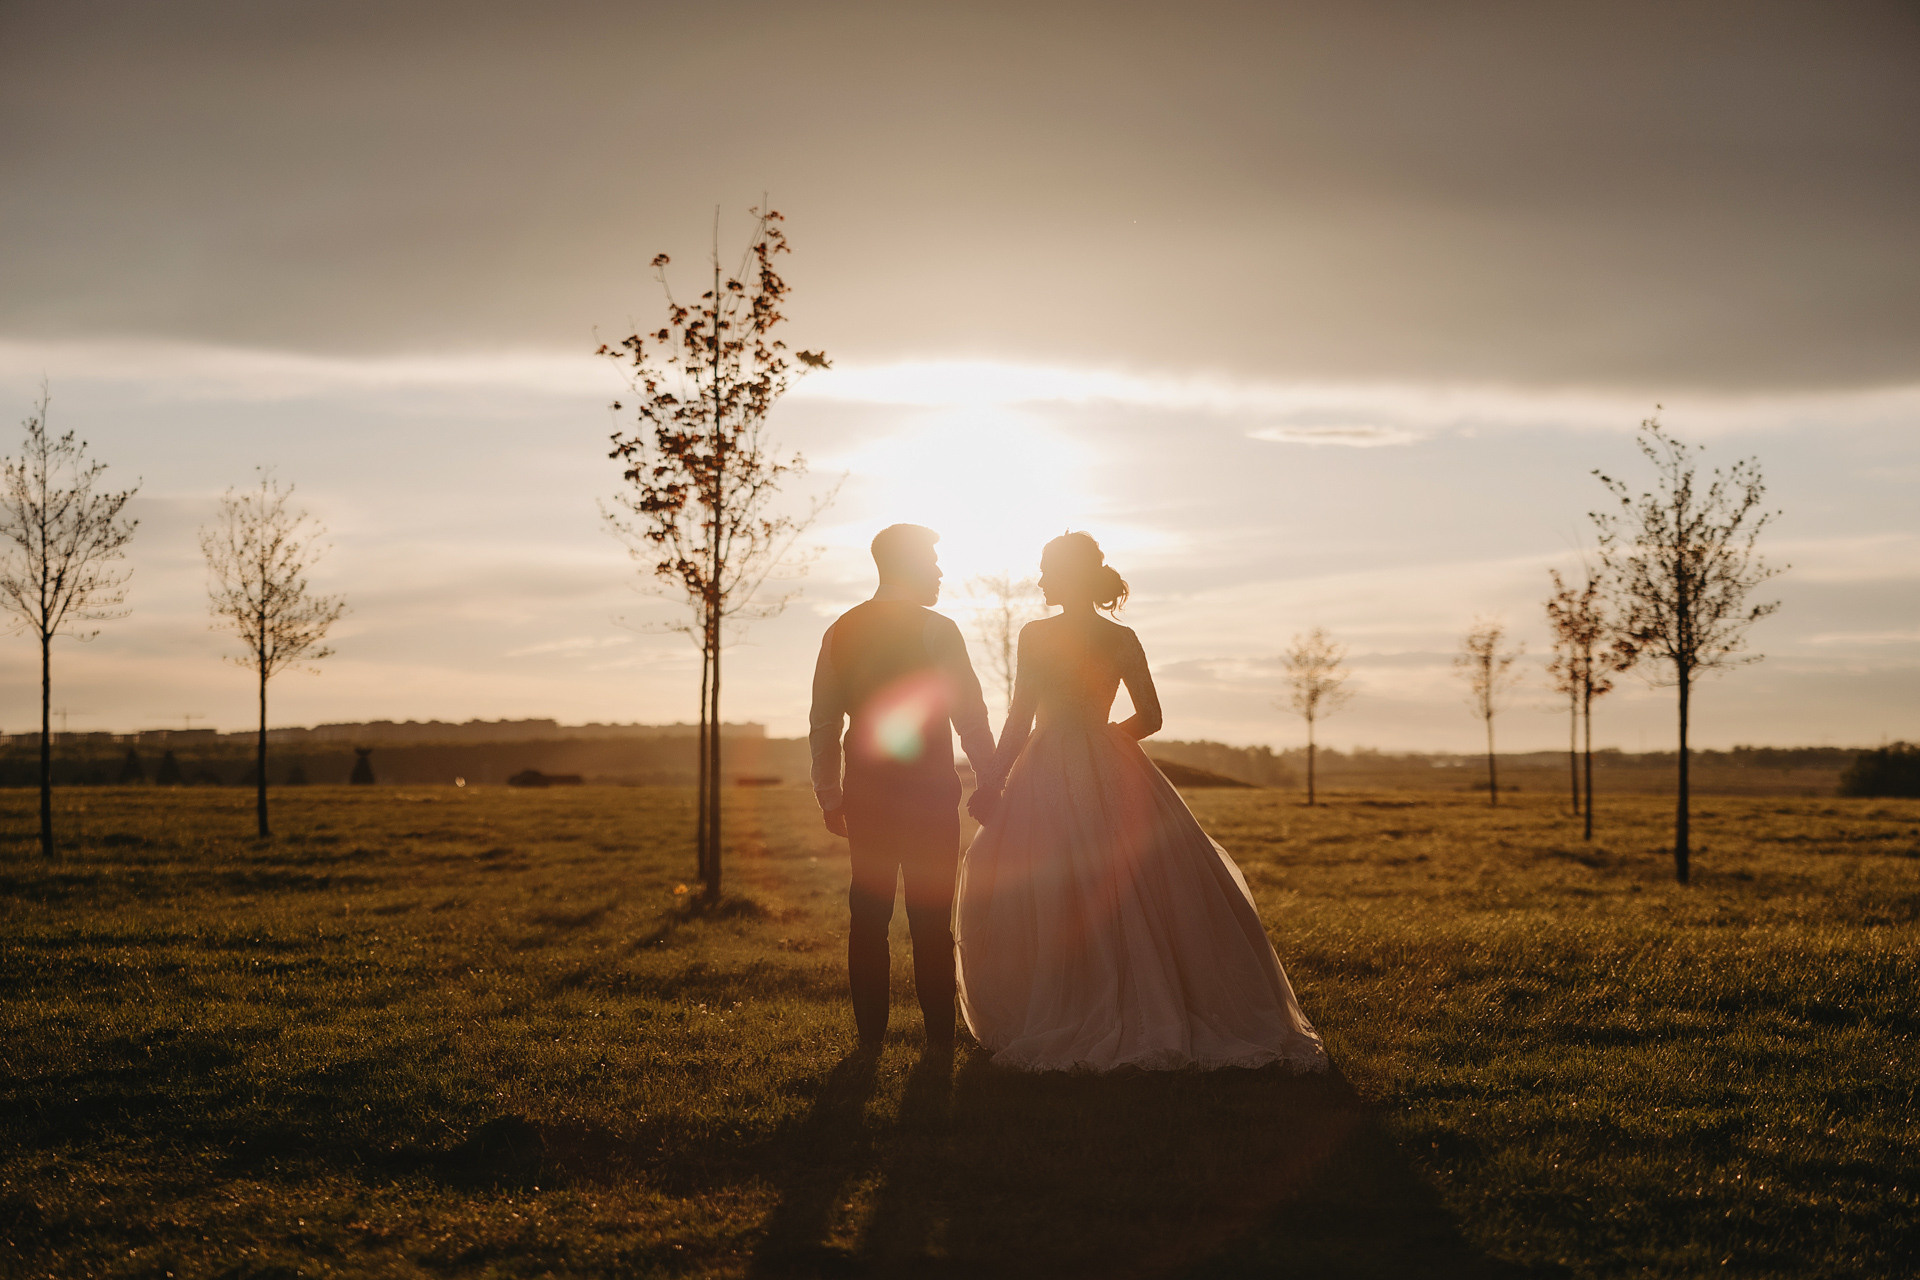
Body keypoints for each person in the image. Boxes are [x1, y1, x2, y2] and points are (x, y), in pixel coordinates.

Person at [956, 532, 1328, 1072]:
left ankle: (1069, 1002)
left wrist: (993, 782)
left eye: (1045, 569)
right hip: (1112, 762)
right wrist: (1106, 744)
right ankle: (1143, 998)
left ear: (1069, 576)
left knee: (1047, 883)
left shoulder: (1036, 635)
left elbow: (1019, 718)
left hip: (1047, 765)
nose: (1039, 581)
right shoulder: (1121, 638)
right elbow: (1151, 717)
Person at [809, 524, 996, 1052]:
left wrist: (830, 795)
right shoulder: (938, 630)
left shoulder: (839, 631)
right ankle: (939, 1046)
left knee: (867, 917)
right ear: (906, 565)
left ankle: (869, 1044)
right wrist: (990, 778)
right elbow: (970, 715)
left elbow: (823, 723)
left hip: (865, 797)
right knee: (930, 920)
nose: (939, 571)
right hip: (930, 796)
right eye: (932, 561)